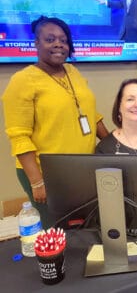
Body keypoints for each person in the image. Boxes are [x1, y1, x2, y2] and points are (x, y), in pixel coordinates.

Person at [2, 16, 109, 228]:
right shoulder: (22, 80)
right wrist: (37, 182)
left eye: (63, 39)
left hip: (81, 167)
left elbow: (90, 115)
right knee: (58, 229)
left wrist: (114, 143)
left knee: (82, 225)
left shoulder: (73, 72)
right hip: (46, 172)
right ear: (36, 43)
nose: (59, 44)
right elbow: (19, 135)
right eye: (50, 39)